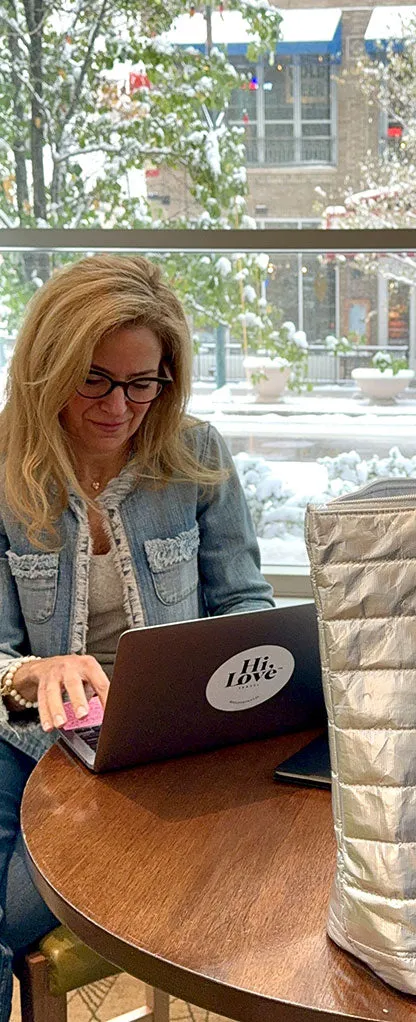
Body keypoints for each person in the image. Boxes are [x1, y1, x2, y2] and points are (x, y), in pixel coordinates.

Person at [0, 254, 274, 1020]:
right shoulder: (3, 471)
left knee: (9, 920)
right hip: (24, 744)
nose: (121, 406)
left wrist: (229, 685)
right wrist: (30, 674)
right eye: (95, 379)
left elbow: (244, 606)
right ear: (48, 365)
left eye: (143, 383)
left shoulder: (196, 456)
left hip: (157, 751)